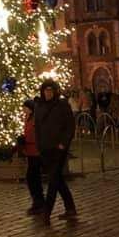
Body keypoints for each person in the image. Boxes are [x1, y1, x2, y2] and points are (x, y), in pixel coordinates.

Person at [33, 78, 77, 224]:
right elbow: (37, 127)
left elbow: (70, 125)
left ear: (55, 91)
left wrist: (63, 143)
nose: (48, 93)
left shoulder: (62, 105)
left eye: (50, 90)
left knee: (53, 180)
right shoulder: (39, 106)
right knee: (57, 179)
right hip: (45, 148)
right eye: (46, 90)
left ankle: (46, 213)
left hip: (58, 148)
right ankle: (70, 208)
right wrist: (39, 146)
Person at [17, 99, 44, 214]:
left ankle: (39, 201)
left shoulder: (35, 119)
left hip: (36, 151)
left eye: (25, 108)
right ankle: (38, 200)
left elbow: (38, 134)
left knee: (33, 177)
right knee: (32, 177)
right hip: (29, 151)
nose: (24, 110)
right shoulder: (27, 119)